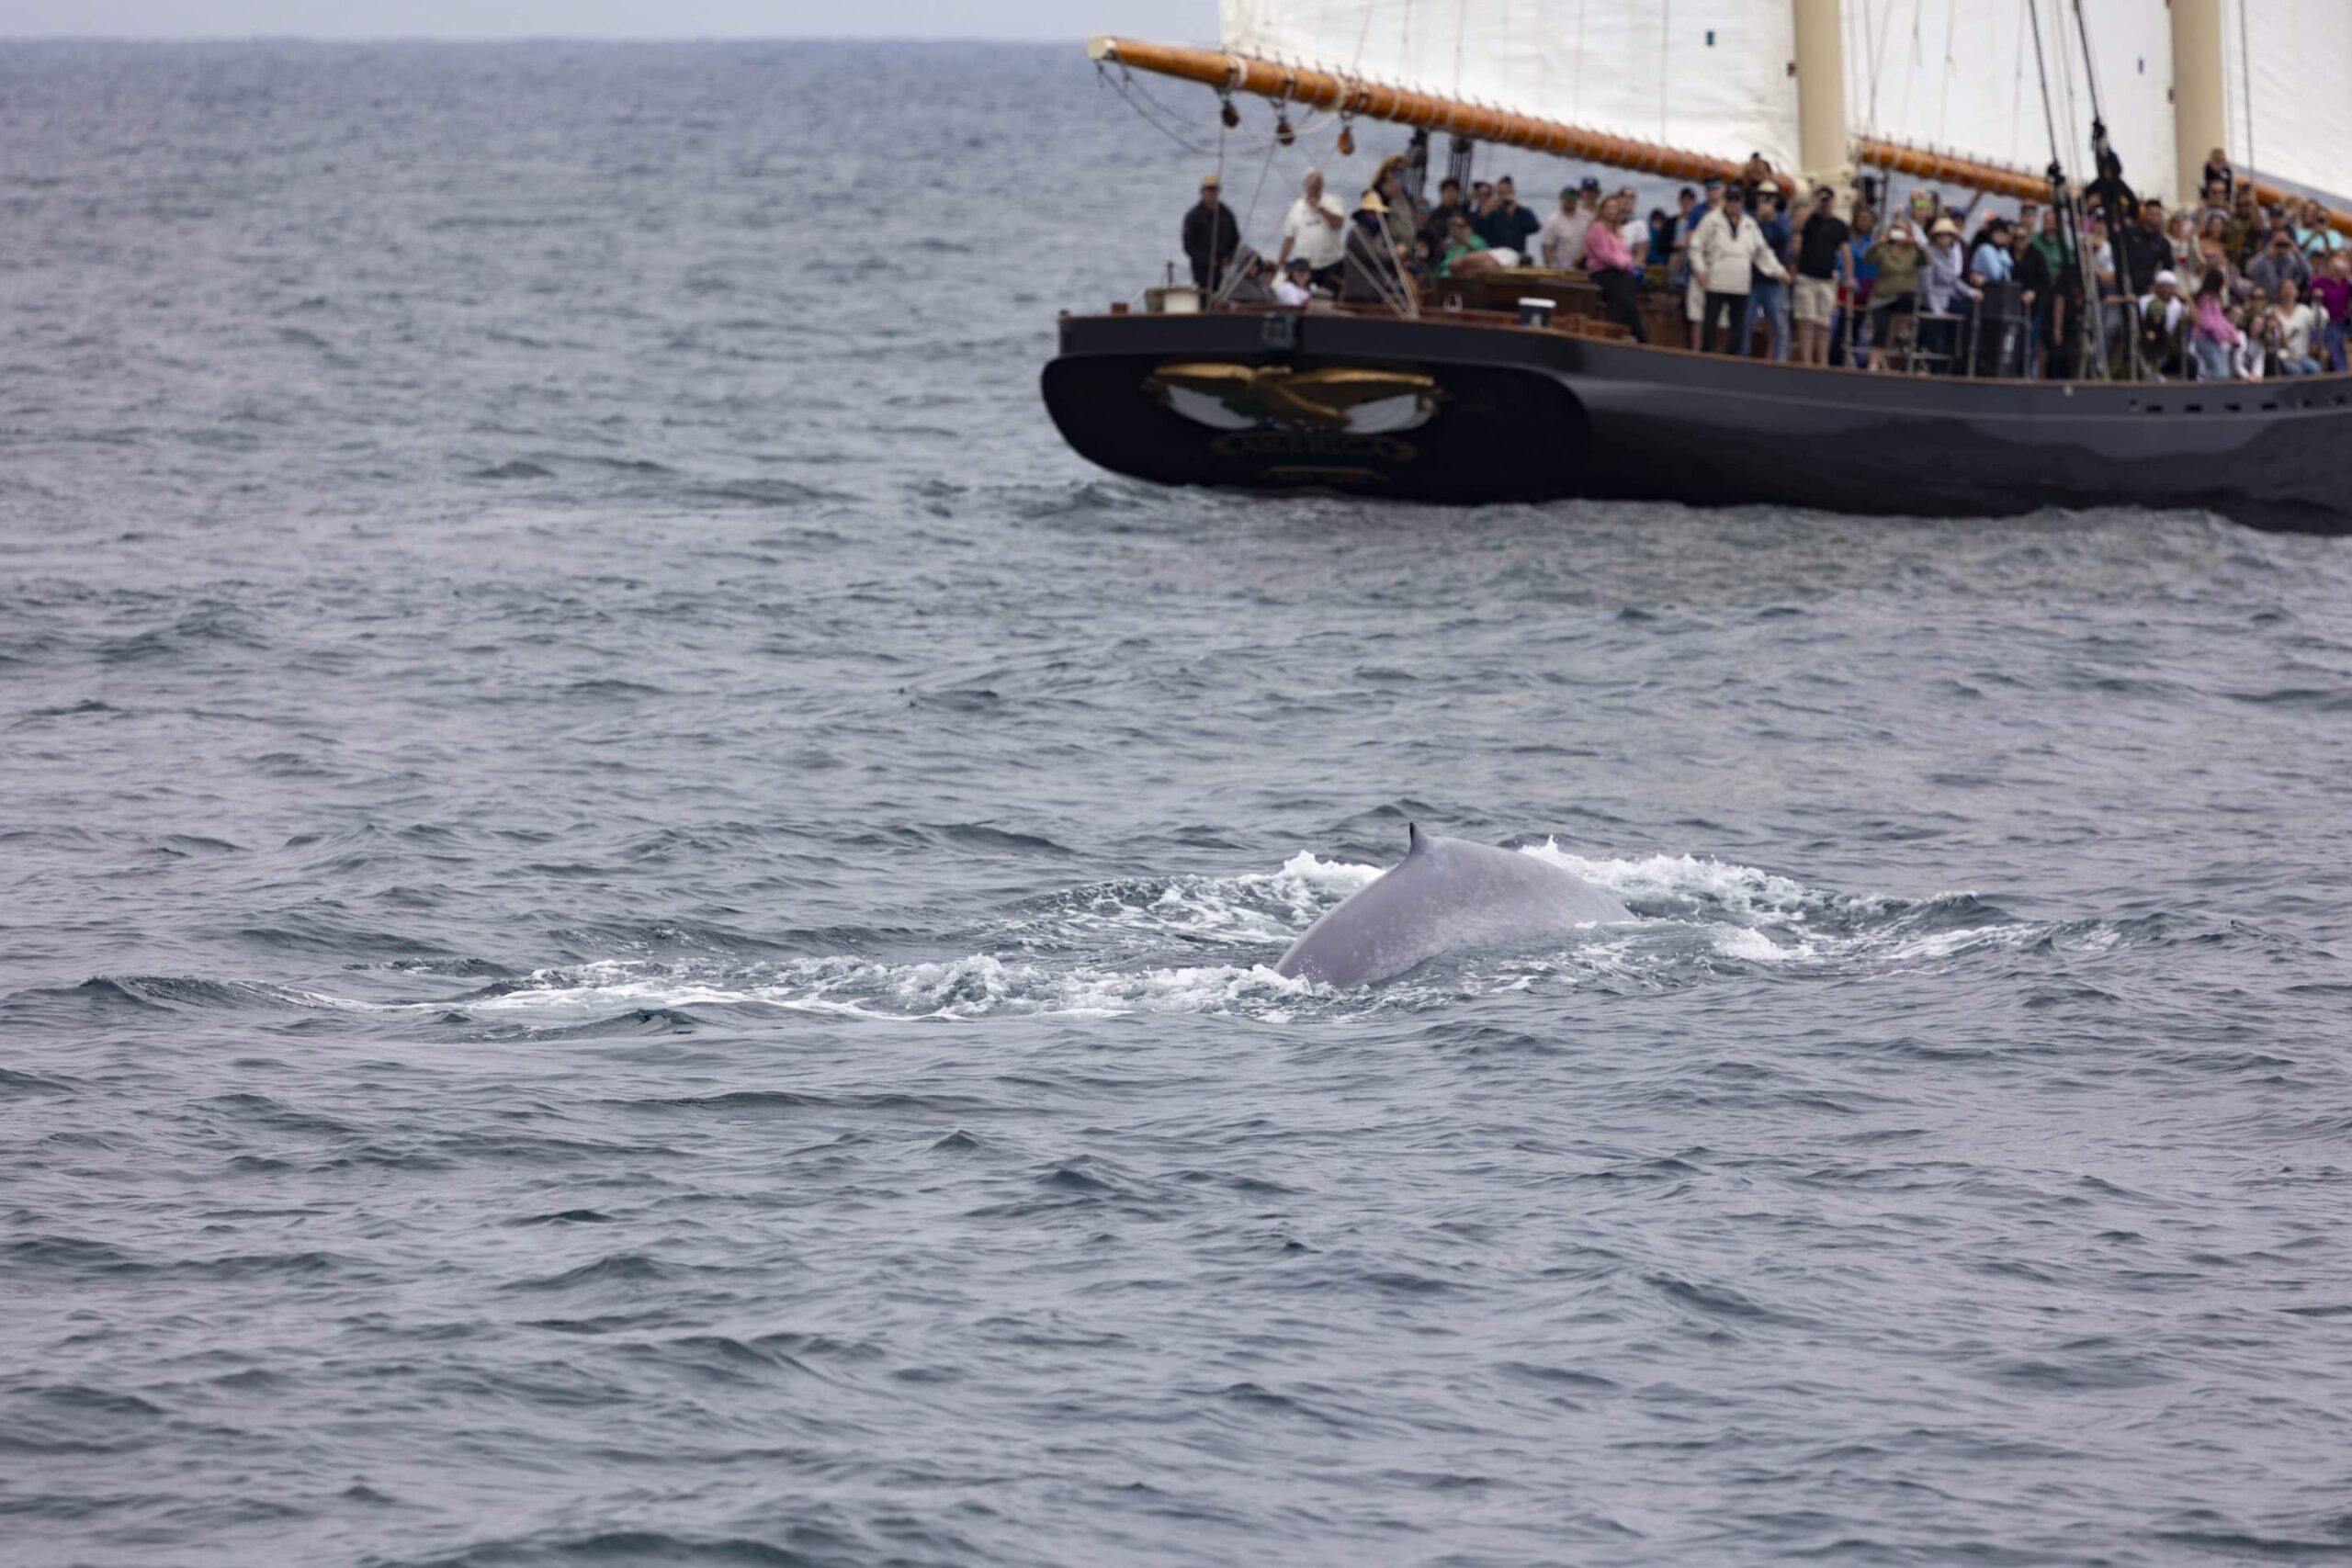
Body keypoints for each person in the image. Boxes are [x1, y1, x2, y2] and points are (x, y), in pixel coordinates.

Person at [1690, 181, 1788, 355]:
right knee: (1710, 323)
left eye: (1737, 200)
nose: (1733, 204)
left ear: (1742, 202)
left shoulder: (1750, 224)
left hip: (1740, 284)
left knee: (1738, 327)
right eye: (1730, 199)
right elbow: (1696, 246)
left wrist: (1778, 271)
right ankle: (1705, 357)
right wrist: (1700, 270)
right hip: (1716, 281)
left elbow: (1762, 252)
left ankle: (1732, 361)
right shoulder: (1711, 219)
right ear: (1725, 200)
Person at [1581, 190, 1648, 342]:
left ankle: (1626, 330)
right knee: (1624, 296)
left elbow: (1625, 253)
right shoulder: (1597, 228)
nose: (1612, 210)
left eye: (1614, 208)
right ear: (1603, 209)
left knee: (1631, 285)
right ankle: (1640, 336)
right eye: (1609, 207)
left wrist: (1629, 266)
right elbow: (1604, 254)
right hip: (1602, 272)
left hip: (1618, 271)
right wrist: (1624, 265)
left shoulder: (1617, 230)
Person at [1792, 185, 1847, 367]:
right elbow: (1797, 228)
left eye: (1828, 199)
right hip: (1806, 276)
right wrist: (1813, 207)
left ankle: (1822, 361)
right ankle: (1806, 360)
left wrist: (1849, 277)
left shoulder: (1839, 225)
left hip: (1827, 279)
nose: (1825, 202)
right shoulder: (1808, 220)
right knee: (1806, 320)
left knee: (1824, 323)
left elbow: (1846, 252)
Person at [1919, 217, 1982, 369]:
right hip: (1933, 301)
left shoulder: (1949, 255)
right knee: (1937, 337)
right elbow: (1926, 286)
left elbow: (1954, 281)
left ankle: (1961, 357)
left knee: (1971, 311)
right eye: (1941, 235)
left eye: (1947, 235)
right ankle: (1935, 365)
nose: (1944, 239)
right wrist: (1936, 310)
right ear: (1935, 237)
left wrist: (1971, 292)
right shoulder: (1927, 255)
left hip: (1949, 298)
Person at [1741, 186, 1794, 360]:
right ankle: (1742, 357)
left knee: (1779, 324)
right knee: (1745, 323)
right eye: (1762, 198)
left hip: (1774, 282)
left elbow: (1785, 237)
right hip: (1752, 280)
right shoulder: (1748, 218)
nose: (1766, 202)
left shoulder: (1783, 220)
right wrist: (1757, 218)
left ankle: (1781, 360)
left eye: (1770, 198)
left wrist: (1771, 219)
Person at [1863, 219, 1924, 371]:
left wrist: (1915, 242)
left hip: (1903, 294)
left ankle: (1902, 332)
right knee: (1881, 329)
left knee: (1909, 296)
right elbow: (1868, 259)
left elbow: (1926, 259)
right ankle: (1873, 364)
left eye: (1903, 230)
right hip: (1882, 296)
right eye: (1896, 229)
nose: (1899, 233)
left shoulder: (1912, 250)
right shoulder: (1884, 249)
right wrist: (1880, 242)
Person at [1277, 168, 1347, 293]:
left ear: (1323, 185)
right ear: (1305, 185)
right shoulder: (1296, 208)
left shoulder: (1332, 202)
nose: (1315, 188)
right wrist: (1280, 262)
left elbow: (1339, 223)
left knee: (1331, 297)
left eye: (1318, 184)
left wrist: (1320, 208)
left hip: (1332, 264)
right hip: (1307, 267)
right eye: (1312, 185)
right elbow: (1289, 238)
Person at [1182, 173, 1239, 292]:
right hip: (1201, 267)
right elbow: (1189, 246)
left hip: (1224, 266)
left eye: (1214, 190)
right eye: (1208, 190)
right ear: (1202, 192)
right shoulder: (1193, 216)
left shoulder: (1226, 214)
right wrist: (1207, 260)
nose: (1211, 194)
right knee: (1204, 294)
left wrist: (1229, 256)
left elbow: (1236, 239)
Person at [2189, 268, 2240, 380]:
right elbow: (2207, 322)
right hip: (2205, 339)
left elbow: (2220, 319)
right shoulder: (2205, 299)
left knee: (2224, 373)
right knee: (2219, 373)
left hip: (2215, 340)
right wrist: (2222, 335)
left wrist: (2232, 334)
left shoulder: (2215, 299)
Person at [2136, 270, 2188, 378]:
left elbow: (2195, 320)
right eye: (2163, 286)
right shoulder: (2144, 301)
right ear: (2156, 287)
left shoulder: (2178, 304)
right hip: (2149, 338)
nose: (2166, 290)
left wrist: (2188, 300)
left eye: (2170, 287)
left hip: (2169, 343)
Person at [1477, 175, 1541, 258]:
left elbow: (1535, 227)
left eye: (1507, 192)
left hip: (1517, 254)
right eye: (1501, 193)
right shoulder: (1492, 213)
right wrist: (1485, 213)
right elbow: (1479, 232)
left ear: (1513, 192)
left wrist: (1514, 207)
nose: (1504, 196)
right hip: (1495, 255)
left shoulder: (1523, 212)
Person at [1537, 183, 1595, 271]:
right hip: (1561, 267)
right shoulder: (1553, 221)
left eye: (1573, 199)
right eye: (1567, 199)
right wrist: (1551, 266)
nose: (1570, 202)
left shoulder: (1587, 217)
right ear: (1561, 199)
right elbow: (1547, 247)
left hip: (1583, 265)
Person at [2272, 277, 2324, 375]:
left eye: (2291, 288)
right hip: (2283, 356)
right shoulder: (2273, 311)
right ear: (2279, 292)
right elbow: (2274, 338)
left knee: (2315, 368)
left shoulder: (2304, 310)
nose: (2288, 291)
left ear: (2297, 292)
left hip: (2302, 356)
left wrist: (2317, 302)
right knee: (2296, 371)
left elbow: (2319, 323)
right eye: (2285, 288)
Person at [2312, 250, 2352, 372]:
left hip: (2345, 322)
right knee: (2335, 338)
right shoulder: (2320, 282)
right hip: (2327, 324)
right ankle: (2342, 373)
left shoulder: (2347, 283)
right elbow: (2314, 298)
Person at [2247, 230, 2313, 299]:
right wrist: (2264, 254)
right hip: (2267, 300)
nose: (2281, 247)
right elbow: (2250, 271)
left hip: (2287, 301)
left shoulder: (2293, 260)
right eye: (2279, 244)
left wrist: (2297, 253)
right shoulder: (2264, 259)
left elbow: (2308, 271)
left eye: (2284, 244)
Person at [1437, 209, 1492, 276]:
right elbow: (1443, 267)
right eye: (1452, 225)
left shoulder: (1477, 241)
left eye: (1460, 226)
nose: (1455, 229)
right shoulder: (1450, 245)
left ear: (1469, 228)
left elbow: (1484, 260)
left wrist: (1467, 243)